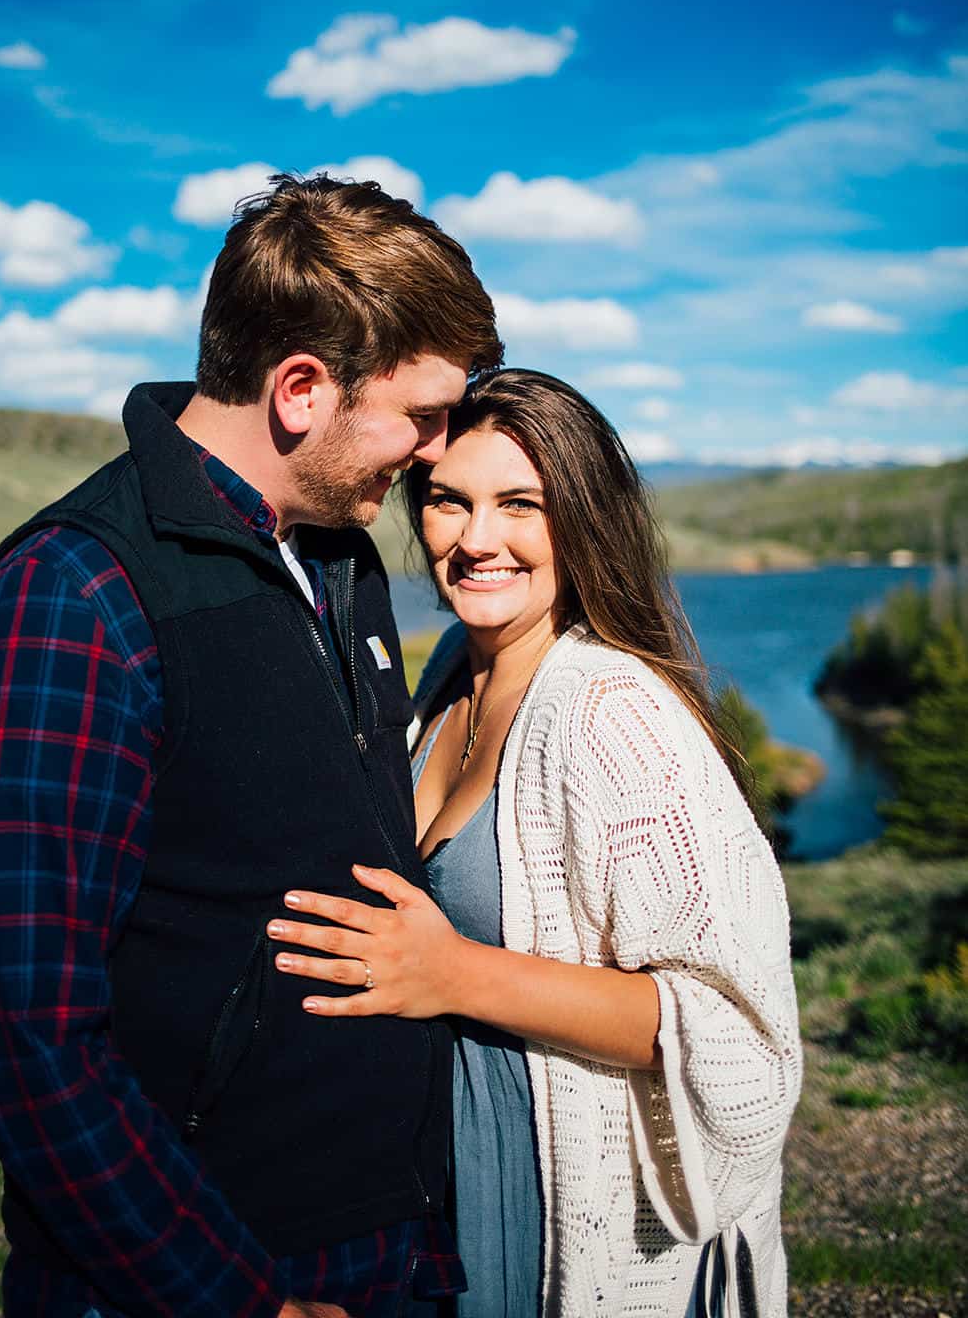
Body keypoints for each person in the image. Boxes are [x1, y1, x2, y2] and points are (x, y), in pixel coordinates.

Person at [0, 174, 503, 1318]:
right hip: (201, 1268)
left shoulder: (339, 560)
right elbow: (19, 1037)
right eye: (423, 412)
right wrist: (227, 1297)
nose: (437, 452)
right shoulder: (78, 589)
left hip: (387, 1243)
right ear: (301, 388)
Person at [264, 369, 803, 1318]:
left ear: (584, 520)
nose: (476, 541)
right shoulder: (441, 679)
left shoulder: (609, 711)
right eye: (447, 502)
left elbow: (738, 1035)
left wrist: (455, 975)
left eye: (521, 505)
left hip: (549, 1223)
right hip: (437, 1214)